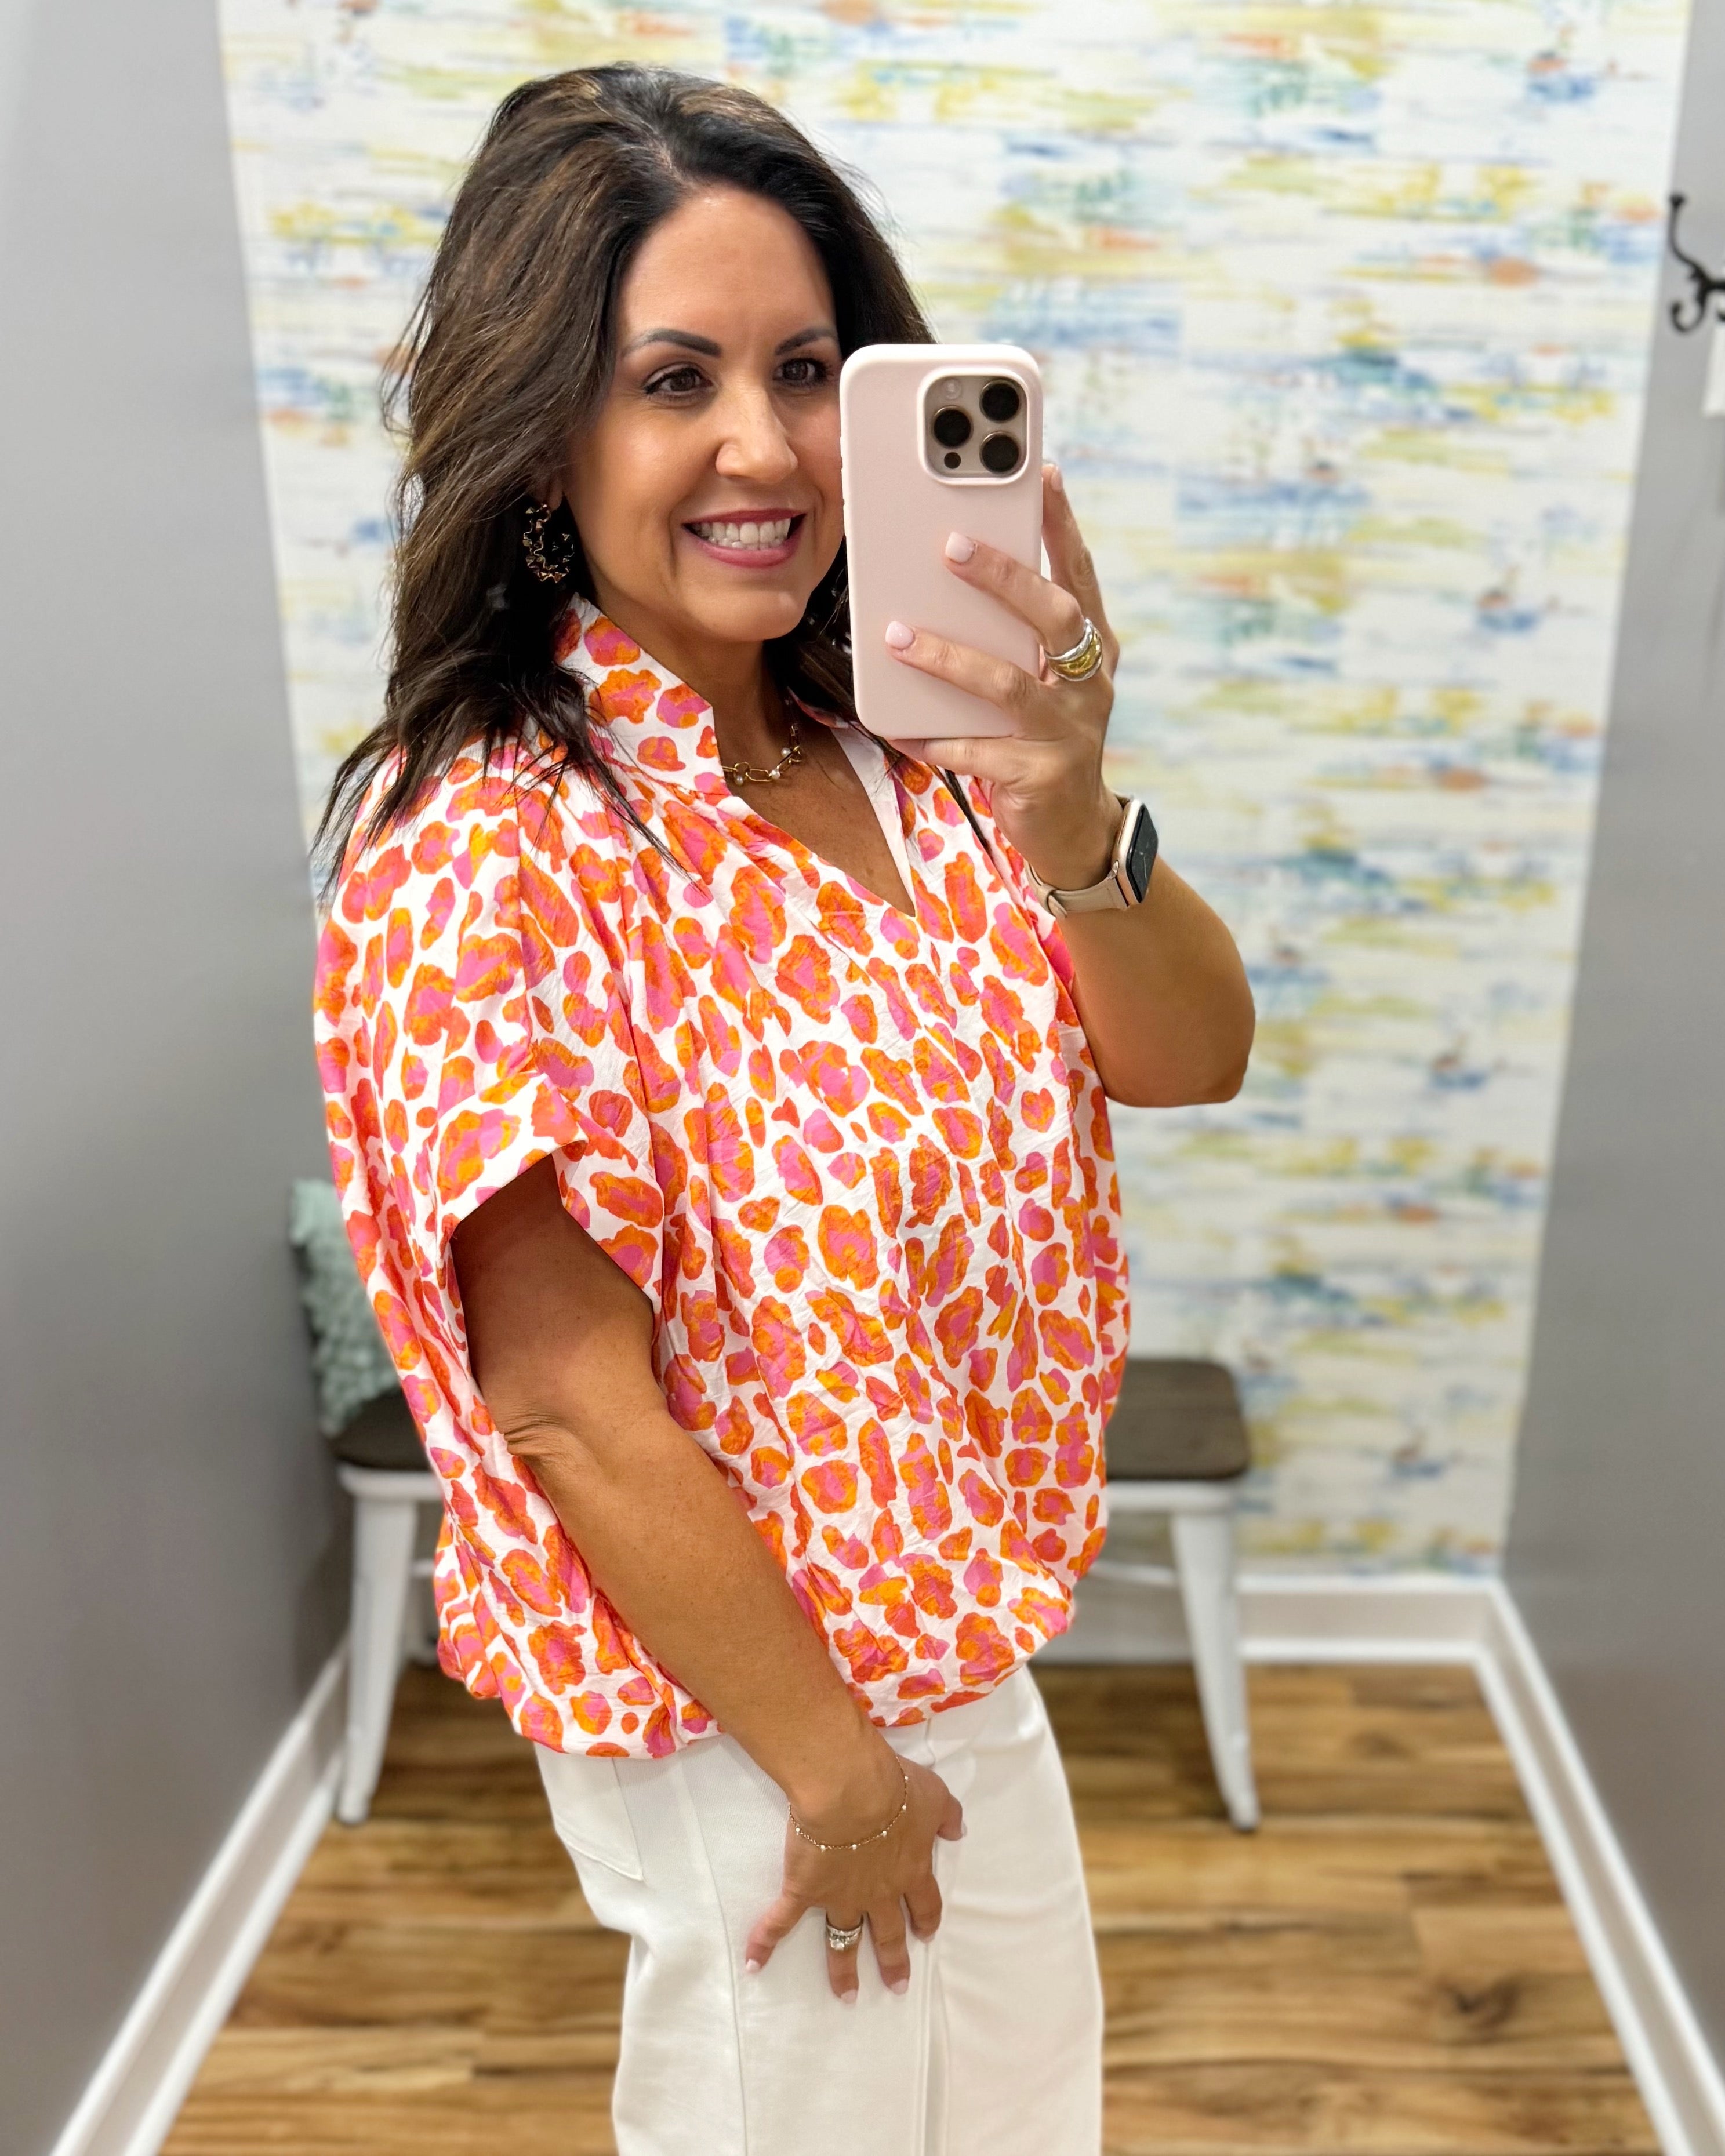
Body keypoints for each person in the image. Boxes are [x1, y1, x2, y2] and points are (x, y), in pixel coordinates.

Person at [313, 63, 1254, 2156]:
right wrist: (831, 1777)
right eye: (675, 378)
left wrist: (1072, 787)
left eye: (811, 368)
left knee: (1021, 2115)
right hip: (747, 1707)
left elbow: (1188, 1056)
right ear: (548, 436)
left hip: (955, 1621)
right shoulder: (489, 855)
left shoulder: (905, 749)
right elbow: (572, 1408)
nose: (765, 446)